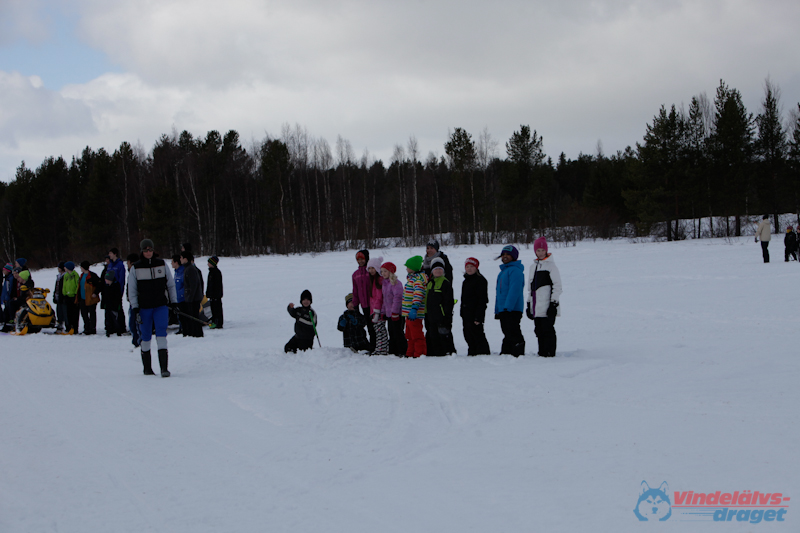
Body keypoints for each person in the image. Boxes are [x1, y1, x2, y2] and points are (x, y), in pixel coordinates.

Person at [129, 238, 178, 377]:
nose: (148, 252)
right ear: (142, 251)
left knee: (162, 334)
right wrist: (135, 308)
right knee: (145, 337)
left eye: (150, 250)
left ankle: (164, 368)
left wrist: (174, 302)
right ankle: (147, 368)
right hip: (144, 308)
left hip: (160, 306)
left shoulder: (161, 264)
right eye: (146, 250)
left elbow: (170, 284)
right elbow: (131, 290)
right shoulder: (136, 268)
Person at [526, 237, 562, 358]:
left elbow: (557, 286)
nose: (540, 253)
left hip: (547, 306)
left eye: (542, 250)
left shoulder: (551, 266)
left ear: (546, 251)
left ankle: (550, 353)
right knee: (539, 330)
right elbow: (530, 288)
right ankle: (542, 352)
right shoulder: (533, 267)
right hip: (537, 306)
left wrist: (554, 303)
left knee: (548, 330)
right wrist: (529, 304)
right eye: (538, 250)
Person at [495, 244, 525, 356]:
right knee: (506, 330)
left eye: (508, 255)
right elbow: (499, 293)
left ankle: (518, 350)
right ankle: (507, 351)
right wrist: (498, 309)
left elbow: (515, 290)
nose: (505, 257)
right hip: (504, 308)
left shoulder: (515, 271)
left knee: (513, 330)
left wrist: (509, 307)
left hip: (512, 309)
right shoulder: (502, 272)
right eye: (503, 255)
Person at [425, 257, 455, 356]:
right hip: (431, 316)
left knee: (444, 334)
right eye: (435, 269)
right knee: (432, 335)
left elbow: (448, 301)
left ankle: (448, 352)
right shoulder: (430, 283)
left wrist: (447, 316)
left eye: (440, 269)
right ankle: (434, 352)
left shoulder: (445, 283)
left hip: (442, 316)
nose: (438, 271)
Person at [460, 257, 491, 355]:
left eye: (471, 266)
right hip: (466, 313)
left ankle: (483, 352)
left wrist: (479, 316)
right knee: (467, 334)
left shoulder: (480, 280)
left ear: (476, 268)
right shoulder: (465, 281)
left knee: (477, 334)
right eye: (467, 267)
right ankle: (472, 351)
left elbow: (482, 300)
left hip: (475, 313)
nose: (469, 269)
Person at [402, 255, 428, 358]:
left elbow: (418, 294)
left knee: (416, 335)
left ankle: (419, 353)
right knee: (409, 335)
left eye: (408, 266)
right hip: (408, 313)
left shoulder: (418, 280)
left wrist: (414, 308)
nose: (406, 268)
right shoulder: (411, 279)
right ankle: (410, 352)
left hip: (414, 314)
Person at [380, 262, 407, 356]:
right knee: (391, 332)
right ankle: (393, 350)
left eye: (385, 271)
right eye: (382, 271)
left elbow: (398, 298)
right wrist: (383, 311)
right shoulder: (384, 284)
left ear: (390, 272)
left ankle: (402, 350)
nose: (383, 273)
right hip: (388, 314)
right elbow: (385, 299)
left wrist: (395, 312)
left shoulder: (396, 283)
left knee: (398, 332)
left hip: (397, 313)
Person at [351, 249, 375, 350]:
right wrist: (355, 304)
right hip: (364, 305)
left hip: (373, 304)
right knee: (369, 326)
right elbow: (355, 291)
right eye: (358, 259)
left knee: (375, 326)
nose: (360, 261)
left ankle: (378, 345)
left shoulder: (370, 271)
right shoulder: (355, 274)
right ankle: (372, 346)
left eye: (362, 259)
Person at [367, 256, 388, 355]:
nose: (371, 270)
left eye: (373, 268)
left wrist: (377, 310)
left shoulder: (379, 280)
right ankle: (379, 347)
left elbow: (379, 297)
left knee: (380, 330)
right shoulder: (372, 280)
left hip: (379, 310)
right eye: (369, 268)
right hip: (374, 309)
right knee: (377, 329)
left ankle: (382, 349)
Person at [181, 251, 204, 338]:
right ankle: (194, 332)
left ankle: (197, 333)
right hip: (191, 297)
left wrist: (190, 297)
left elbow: (193, 285)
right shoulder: (187, 268)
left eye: (181, 258)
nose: (180, 260)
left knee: (195, 316)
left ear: (185, 259)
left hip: (194, 298)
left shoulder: (190, 269)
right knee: (192, 315)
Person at [107, 248, 127, 333]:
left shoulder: (120, 265)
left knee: (118, 309)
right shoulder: (110, 265)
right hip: (110, 290)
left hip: (117, 290)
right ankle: (112, 326)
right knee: (110, 309)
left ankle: (121, 327)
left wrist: (120, 290)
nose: (109, 255)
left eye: (111, 253)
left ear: (115, 254)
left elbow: (121, 279)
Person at [79, 261, 101, 335]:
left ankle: (92, 328)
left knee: (92, 313)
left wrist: (95, 293)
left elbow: (99, 284)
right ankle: (87, 327)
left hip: (91, 298)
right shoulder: (81, 275)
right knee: (84, 314)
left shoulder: (93, 275)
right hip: (83, 298)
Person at [125, 253, 141, 347]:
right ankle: (136, 341)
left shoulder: (136, 271)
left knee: (136, 324)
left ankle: (139, 342)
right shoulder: (130, 272)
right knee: (132, 324)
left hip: (137, 302)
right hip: (132, 302)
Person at [103, 271, 124, 336]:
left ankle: (118, 329)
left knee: (115, 317)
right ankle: (109, 329)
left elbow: (117, 297)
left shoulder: (116, 285)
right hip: (108, 305)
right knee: (108, 318)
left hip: (114, 305)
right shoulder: (106, 286)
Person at [62, 261, 80, 335]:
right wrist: (64, 293)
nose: (64, 268)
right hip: (67, 296)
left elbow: (77, 285)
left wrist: (76, 294)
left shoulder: (75, 275)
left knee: (75, 313)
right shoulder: (65, 275)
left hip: (74, 296)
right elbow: (64, 285)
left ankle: (75, 328)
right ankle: (69, 327)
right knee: (68, 313)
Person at [206, 255, 224, 329]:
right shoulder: (211, 272)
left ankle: (218, 323)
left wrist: (216, 294)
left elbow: (217, 285)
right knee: (213, 309)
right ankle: (214, 321)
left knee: (217, 310)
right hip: (212, 295)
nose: (207, 264)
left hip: (216, 295)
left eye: (209, 263)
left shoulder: (217, 272)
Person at [171, 254, 185, 333]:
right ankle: (181, 327)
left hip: (182, 298)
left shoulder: (182, 272)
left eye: (172, 262)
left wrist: (180, 294)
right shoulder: (176, 272)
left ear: (176, 262)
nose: (171, 263)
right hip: (177, 298)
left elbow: (185, 286)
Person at [54, 262, 66, 332]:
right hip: (58, 295)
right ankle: (59, 323)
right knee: (58, 311)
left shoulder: (64, 276)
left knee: (62, 311)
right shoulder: (58, 276)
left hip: (62, 296)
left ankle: (62, 323)